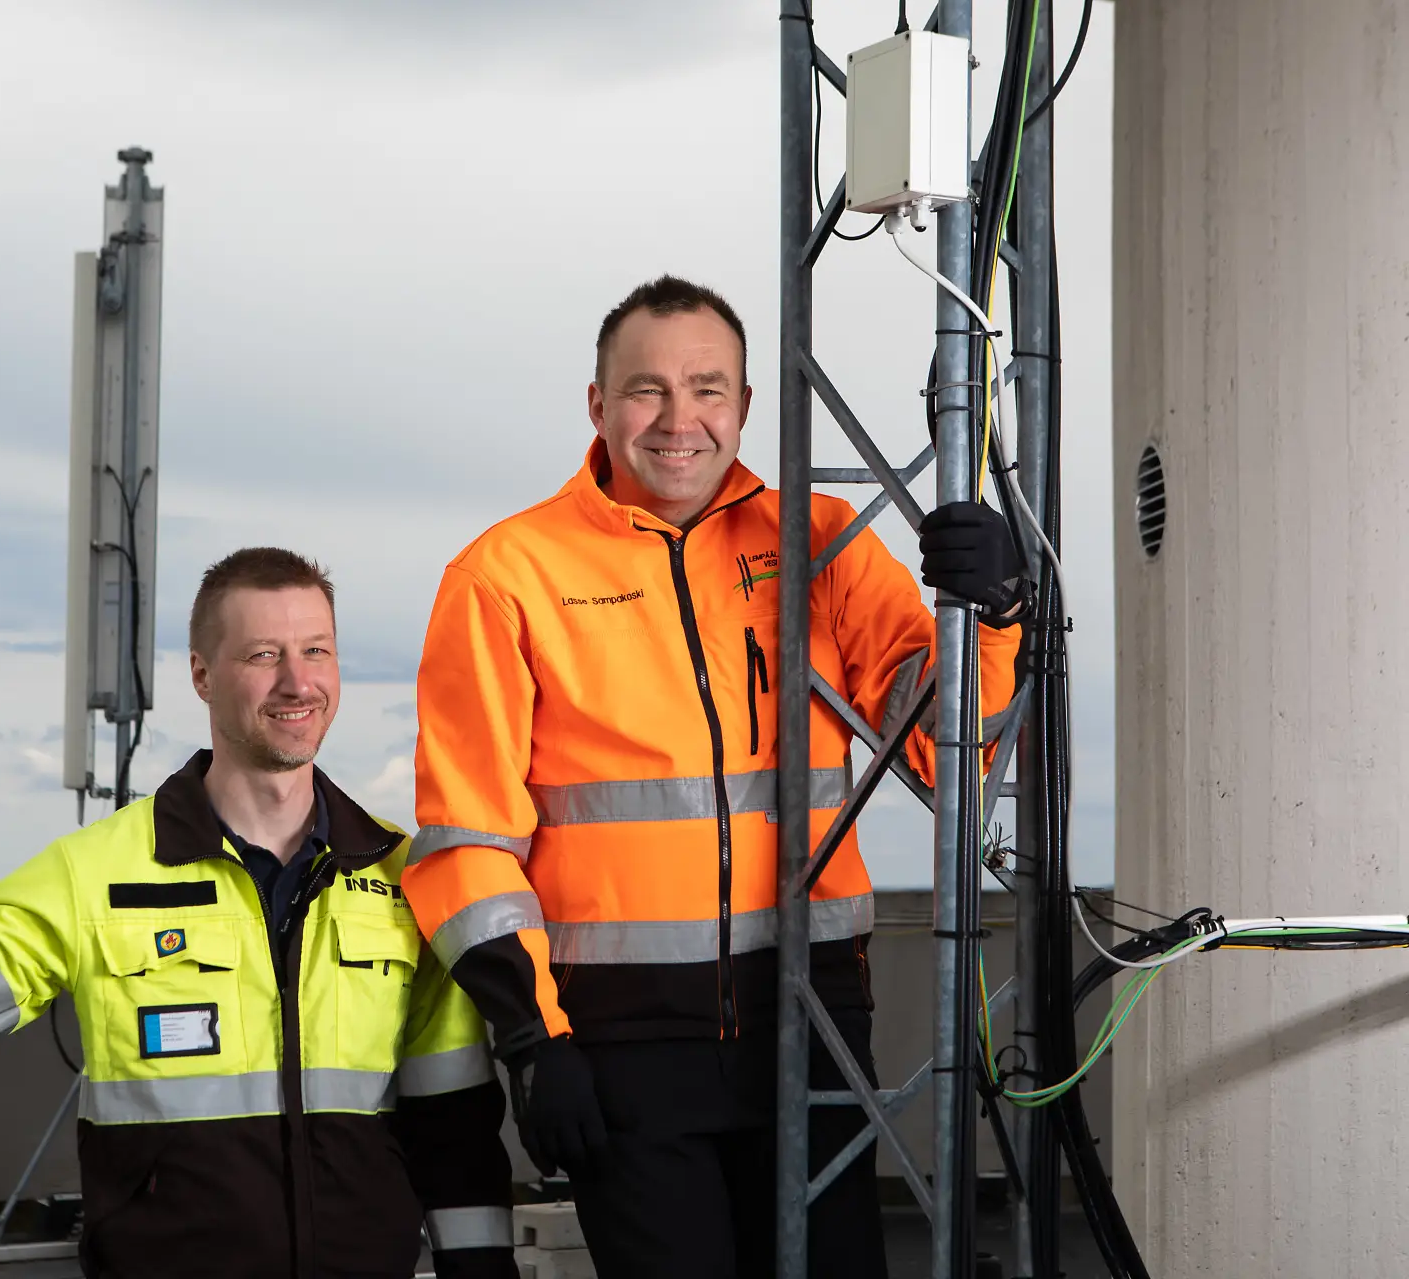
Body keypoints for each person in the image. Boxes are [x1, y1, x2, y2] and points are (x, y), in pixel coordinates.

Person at [401, 277, 1026, 1278]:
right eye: (646, 390)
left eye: (708, 387)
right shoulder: (506, 573)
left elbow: (947, 749)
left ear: (743, 405)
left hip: (815, 1016)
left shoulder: (823, 544)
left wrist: (993, 615)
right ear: (598, 407)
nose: (680, 419)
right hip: (621, 1039)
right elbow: (469, 840)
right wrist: (534, 1039)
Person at [0, 547, 515, 1279]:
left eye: (316, 651)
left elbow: (454, 1124)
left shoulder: (405, 876)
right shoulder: (95, 872)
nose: (296, 681)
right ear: (202, 675)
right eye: (263, 655)